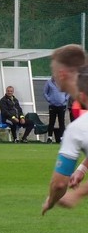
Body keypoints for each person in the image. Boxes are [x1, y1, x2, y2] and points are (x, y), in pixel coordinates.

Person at [42, 68, 88, 214]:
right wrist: (82, 169)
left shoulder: (78, 128)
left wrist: (52, 201)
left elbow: (59, 184)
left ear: (81, 97)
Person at [44, 76, 69, 143]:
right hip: (52, 105)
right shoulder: (49, 82)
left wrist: (65, 99)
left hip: (62, 105)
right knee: (51, 122)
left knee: (61, 122)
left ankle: (62, 138)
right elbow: (45, 93)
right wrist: (49, 99)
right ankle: (50, 138)